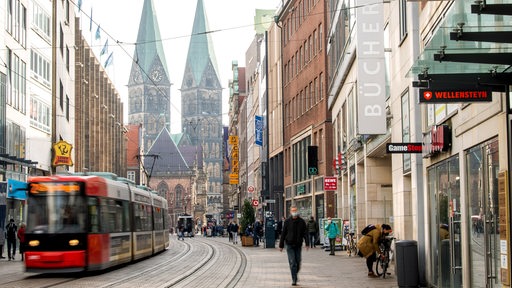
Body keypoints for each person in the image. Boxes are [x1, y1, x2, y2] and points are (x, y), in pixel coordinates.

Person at [279, 206, 309, 286]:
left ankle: (295, 274)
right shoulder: (287, 221)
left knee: (298, 262)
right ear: (290, 212)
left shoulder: (302, 222)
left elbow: (305, 233)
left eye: (295, 210)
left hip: (298, 244)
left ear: (297, 211)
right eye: (293, 210)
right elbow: (283, 233)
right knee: (293, 262)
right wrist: (281, 245)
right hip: (289, 245)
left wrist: (307, 243)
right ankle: (294, 279)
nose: (294, 212)